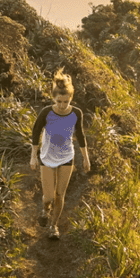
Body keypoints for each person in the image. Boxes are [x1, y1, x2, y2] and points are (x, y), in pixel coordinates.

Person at [29, 68, 90, 239]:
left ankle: (53, 226)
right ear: (53, 98)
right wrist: (33, 156)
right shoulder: (47, 112)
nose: (62, 105)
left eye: (65, 101)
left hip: (66, 157)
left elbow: (81, 135)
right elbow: (35, 132)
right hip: (47, 157)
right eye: (59, 101)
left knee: (59, 195)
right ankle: (45, 209)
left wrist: (86, 158)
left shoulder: (76, 113)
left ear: (71, 98)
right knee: (48, 197)